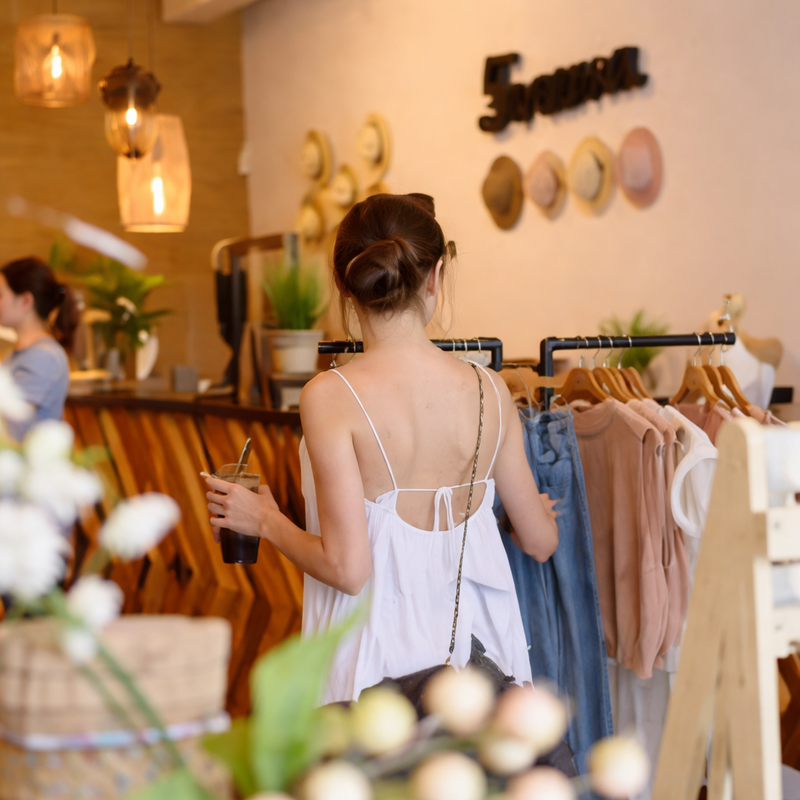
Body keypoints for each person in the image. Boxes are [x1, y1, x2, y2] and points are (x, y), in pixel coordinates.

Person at [206, 194, 558, 702]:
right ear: (436, 276)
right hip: (479, 664)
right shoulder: (491, 390)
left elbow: (348, 570)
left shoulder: (330, 396)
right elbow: (541, 541)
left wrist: (265, 520)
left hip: (376, 666)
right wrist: (504, 517)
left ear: (343, 284)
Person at [0, 257, 79, 441]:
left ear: (26, 301)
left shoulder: (43, 356)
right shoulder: (20, 352)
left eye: (1, 295)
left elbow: (9, 425)